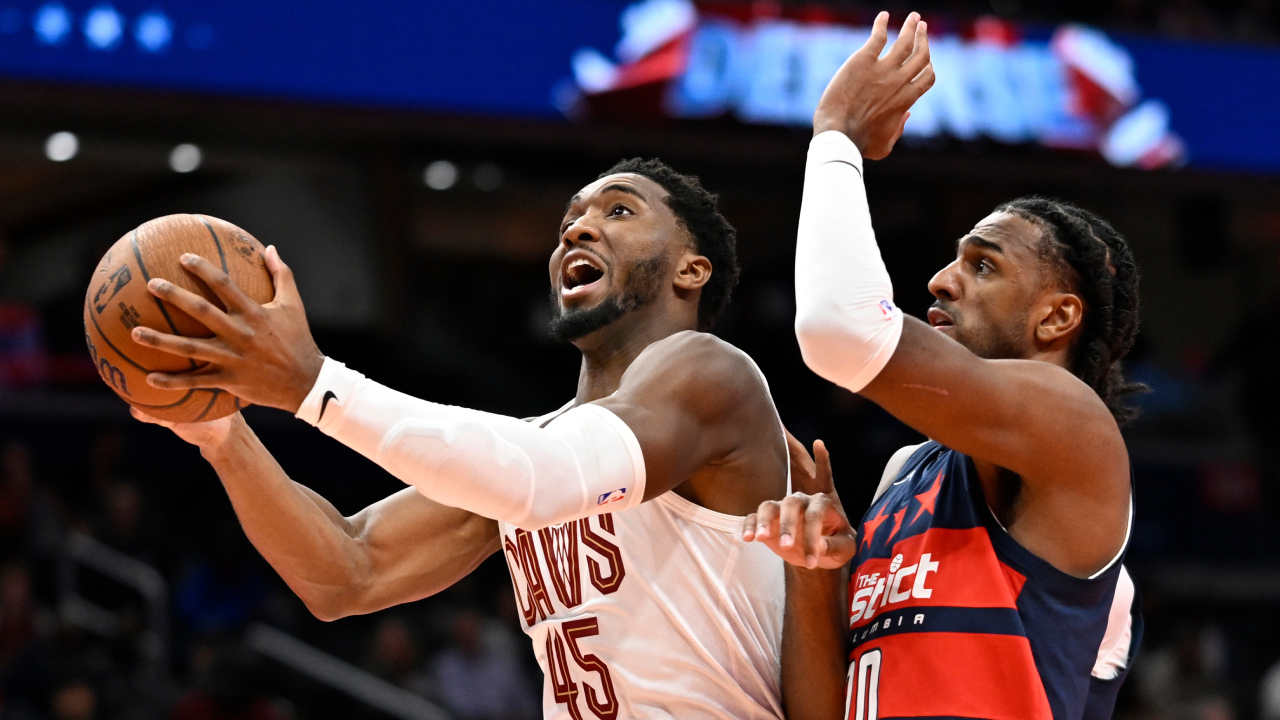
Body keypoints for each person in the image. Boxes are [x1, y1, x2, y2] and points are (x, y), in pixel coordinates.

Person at [128, 159, 791, 718]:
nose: (577, 229)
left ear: (691, 270)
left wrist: (315, 385)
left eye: (619, 211)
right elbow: (345, 573)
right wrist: (223, 437)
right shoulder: (527, 454)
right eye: (568, 223)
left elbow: (550, 477)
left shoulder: (714, 377)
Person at [742, 12, 1143, 720]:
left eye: (982, 264)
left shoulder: (1074, 431)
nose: (938, 280)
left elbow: (839, 329)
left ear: (1056, 317)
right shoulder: (905, 473)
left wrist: (835, 134)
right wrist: (814, 574)